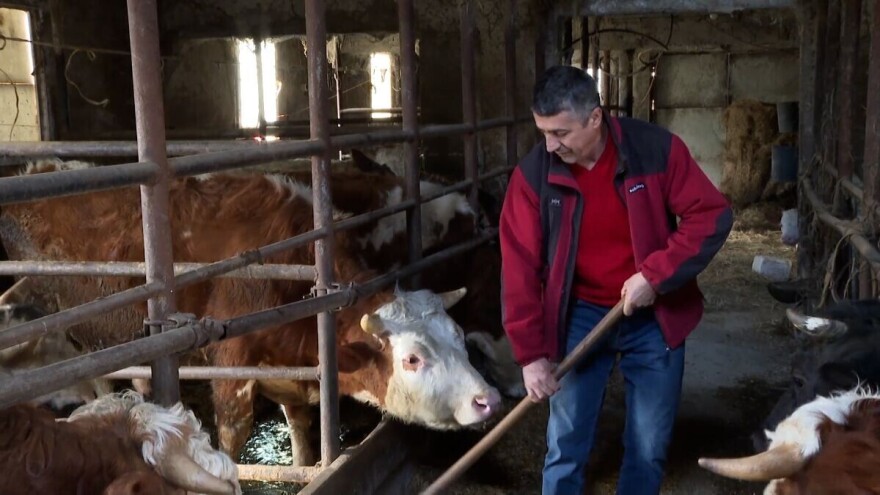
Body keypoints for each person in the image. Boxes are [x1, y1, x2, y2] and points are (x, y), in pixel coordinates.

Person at [499, 65, 732, 495]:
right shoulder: (533, 176)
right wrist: (530, 355)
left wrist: (655, 276)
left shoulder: (654, 151)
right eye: (543, 132)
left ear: (595, 117)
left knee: (648, 444)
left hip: (653, 313)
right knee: (566, 441)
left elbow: (711, 215)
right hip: (580, 312)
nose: (551, 145)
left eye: (561, 132)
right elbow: (519, 269)